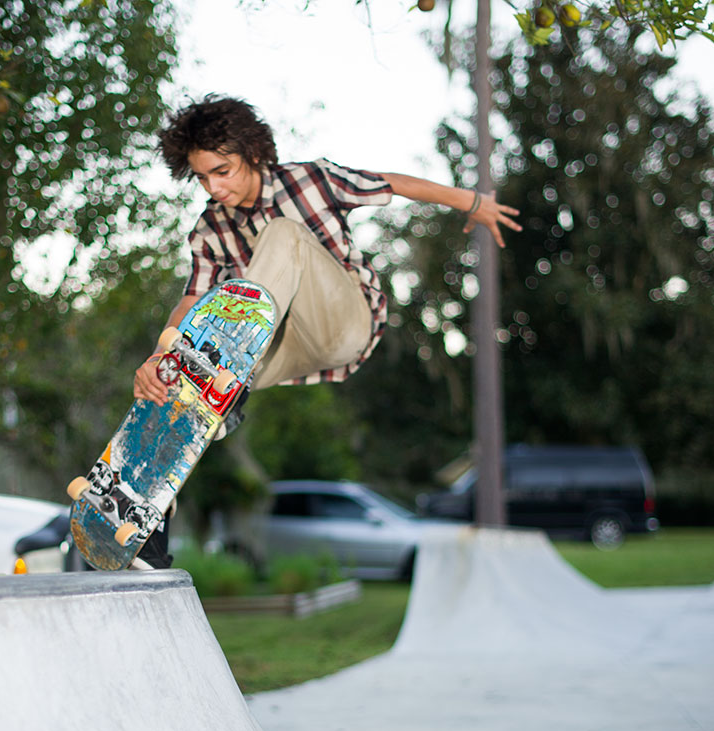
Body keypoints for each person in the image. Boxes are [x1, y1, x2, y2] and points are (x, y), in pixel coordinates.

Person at [132, 94, 521, 566]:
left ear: (253, 153)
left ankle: (228, 373)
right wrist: (159, 356)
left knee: (283, 234)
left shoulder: (311, 179)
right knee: (174, 380)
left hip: (343, 323)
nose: (214, 188)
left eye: (223, 171)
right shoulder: (209, 228)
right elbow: (192, 298)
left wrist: (474, 203)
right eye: (202, 177)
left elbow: (393, 184)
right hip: (276, 344)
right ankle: (148, 522)